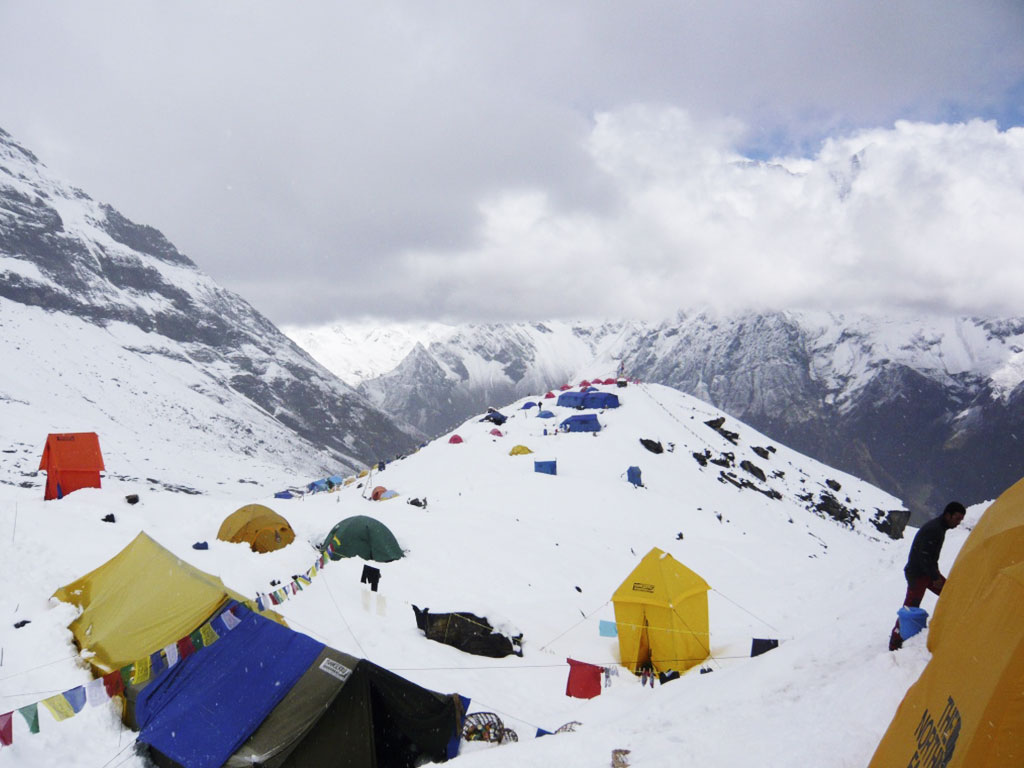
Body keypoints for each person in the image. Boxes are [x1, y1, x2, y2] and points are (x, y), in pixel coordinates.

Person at [888, 501, 967, 651]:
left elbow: (928, 556)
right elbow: (924, 556)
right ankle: (895, 641)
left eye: (960, 520)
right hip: (918, 574)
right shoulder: (935, 529)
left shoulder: (938, 527)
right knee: (911, 607)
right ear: (948, 515)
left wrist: (934, 574)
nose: (958, 523)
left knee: (948, 593)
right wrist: (934, 577)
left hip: (923, 572)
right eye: (957, 519)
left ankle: (952, 626)